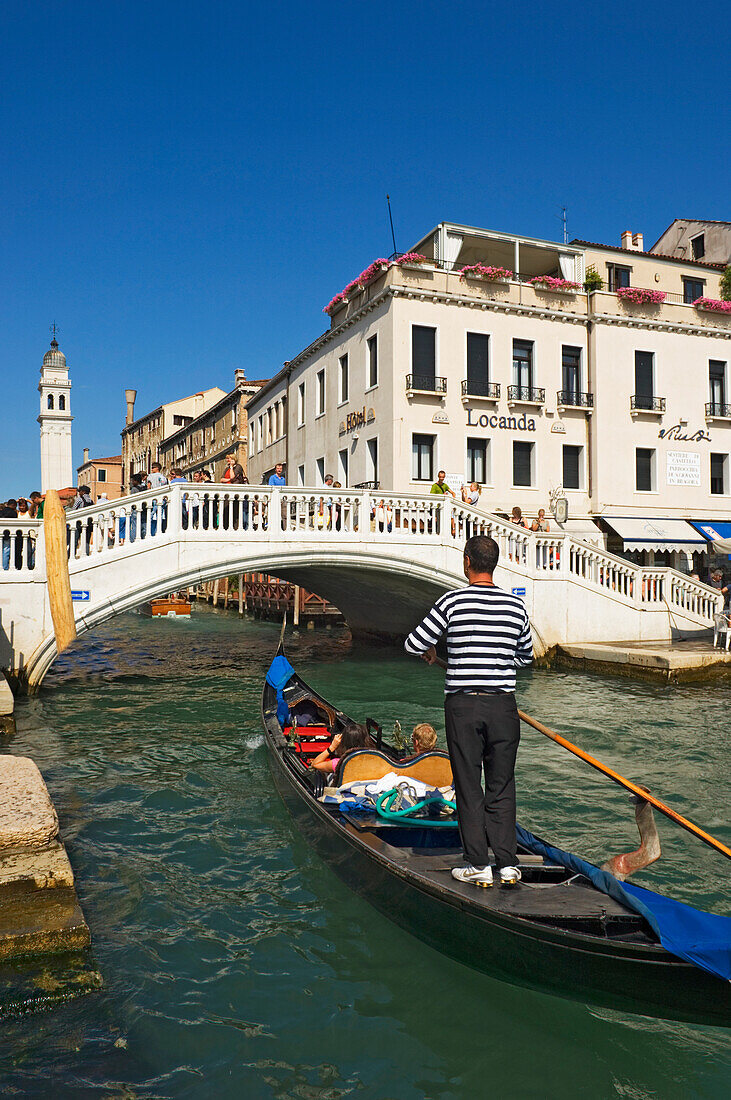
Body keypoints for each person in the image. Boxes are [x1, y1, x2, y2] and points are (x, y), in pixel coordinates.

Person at [404, 535, 533, 888]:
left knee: (468, 785)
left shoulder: (452, 602)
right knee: (502, 785)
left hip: (464, 705)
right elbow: (525, 657)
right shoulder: (515, 608)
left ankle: (477, 862)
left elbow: (413, 642)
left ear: (467, 562)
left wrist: (434, 652)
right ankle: (507, 863)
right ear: (495, 564)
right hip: (504, 707)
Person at [1, 499, 17, 570]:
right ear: (13, 505)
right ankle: (5, 567)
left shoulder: (1, 512)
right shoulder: (13, 513)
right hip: (8, 535)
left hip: (1, 534)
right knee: (6, 551)